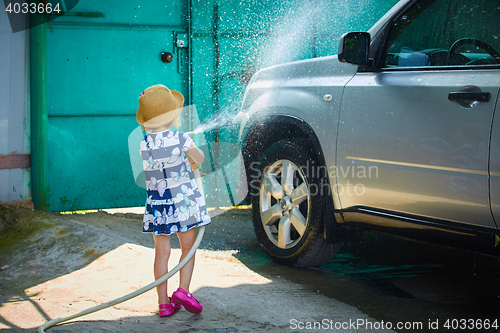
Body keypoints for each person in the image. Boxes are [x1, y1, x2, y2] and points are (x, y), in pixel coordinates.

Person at [136, 84, 211, 317]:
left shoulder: (145, 143)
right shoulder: (181, 138)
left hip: (158, 206)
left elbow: (158, 169)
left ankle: (163, 303)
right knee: (188, 248)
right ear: (173, 115)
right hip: (183, 204)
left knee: (162, 253)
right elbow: (200, 158)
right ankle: (183, 291)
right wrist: (191, 158)